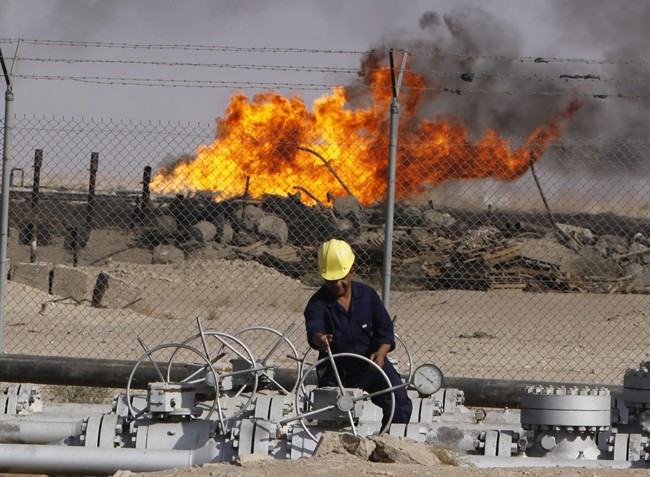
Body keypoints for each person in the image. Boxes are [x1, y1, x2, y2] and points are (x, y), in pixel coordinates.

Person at [304, 238, 413, 429]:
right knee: (333, 416)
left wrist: (381, 352)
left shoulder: (368, 295)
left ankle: (389, 444)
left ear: (352, 271)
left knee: (400, 402)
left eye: (342, 277)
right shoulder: (317, 303)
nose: (337, 283)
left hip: (371, 366)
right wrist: (320, 339)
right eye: (331, 279)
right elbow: (314, 327)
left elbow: (385, 328)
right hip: (336, 371)